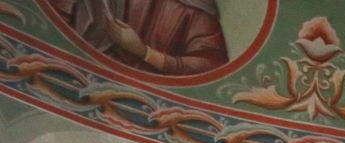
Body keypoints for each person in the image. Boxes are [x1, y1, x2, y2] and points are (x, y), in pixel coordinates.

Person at [51, 0, 228, 76]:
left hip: (154, 100)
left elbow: (212, 66)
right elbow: (55, 23)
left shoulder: (195, 9)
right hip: (84, 76)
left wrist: (145, 53)